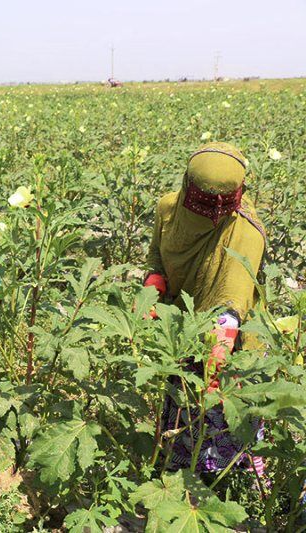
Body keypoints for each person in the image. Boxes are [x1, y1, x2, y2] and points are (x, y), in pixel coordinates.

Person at [144, 142, 267, 474]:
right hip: (181, 330)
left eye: (218, 206)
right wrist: (153, 280)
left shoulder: (245, 232)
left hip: (227, 340)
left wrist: (219, 348)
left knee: (227, 418)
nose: (209, 214)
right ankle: (181, 476)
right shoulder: (169, 209)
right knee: (183, 413)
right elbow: (157, 252)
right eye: (201, 205)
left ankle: (240, 484)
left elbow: (232, 300)